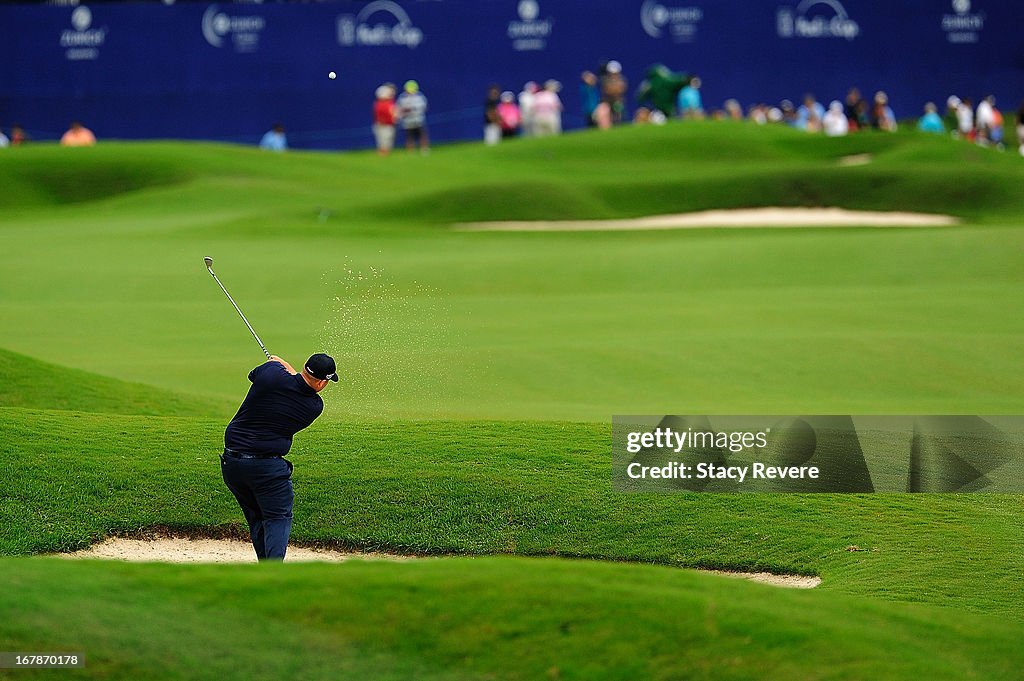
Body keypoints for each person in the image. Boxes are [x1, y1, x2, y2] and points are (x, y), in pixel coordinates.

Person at [221, 353, 338, 561]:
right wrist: (286, 369)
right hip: (267, 468)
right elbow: (296, 385)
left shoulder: (271, 373)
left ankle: (266, 570)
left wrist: (279, 365)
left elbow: (256, 375)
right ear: (322, 382)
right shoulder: (313, 406)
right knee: (277, 518)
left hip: (232, 464)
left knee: (256, 519)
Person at [397, 80, 429, 153]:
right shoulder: (402, 97)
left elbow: (424, 107)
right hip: (408, 121)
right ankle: (410, 151)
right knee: (409, 136)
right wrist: (405, 111)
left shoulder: (419, 96)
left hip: (418, 119)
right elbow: (399, 108)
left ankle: (424, 149)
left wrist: (415, 109)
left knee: (422, 134)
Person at [372, 83, 397, 156]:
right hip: (383, 125)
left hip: (389, 124)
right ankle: (382, 154)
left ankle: (385, 154)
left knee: (387, 141)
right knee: (383, 141)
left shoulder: (389, 103)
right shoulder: (381, 104)